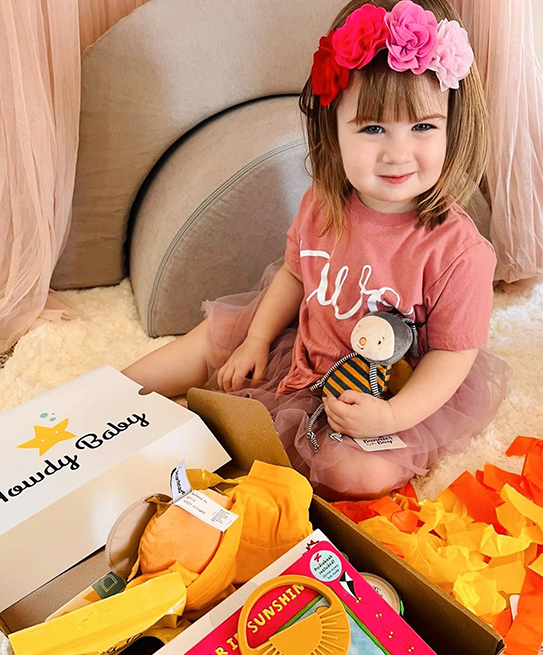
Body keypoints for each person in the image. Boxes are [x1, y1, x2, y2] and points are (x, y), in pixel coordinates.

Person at [124, 0, 509, 499]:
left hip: (389, 387)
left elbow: (452, 360)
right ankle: (112, 394)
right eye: (373, 128)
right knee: (214, 339)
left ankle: (231, 435)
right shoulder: (324, 203)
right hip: (303, 341)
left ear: (452, 127)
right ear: (334, 128)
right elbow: (292, 276)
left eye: (422, 127)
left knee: (355, 473)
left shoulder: (459, 253)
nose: (397, 153)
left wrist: (390, 416)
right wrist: (257, 340)